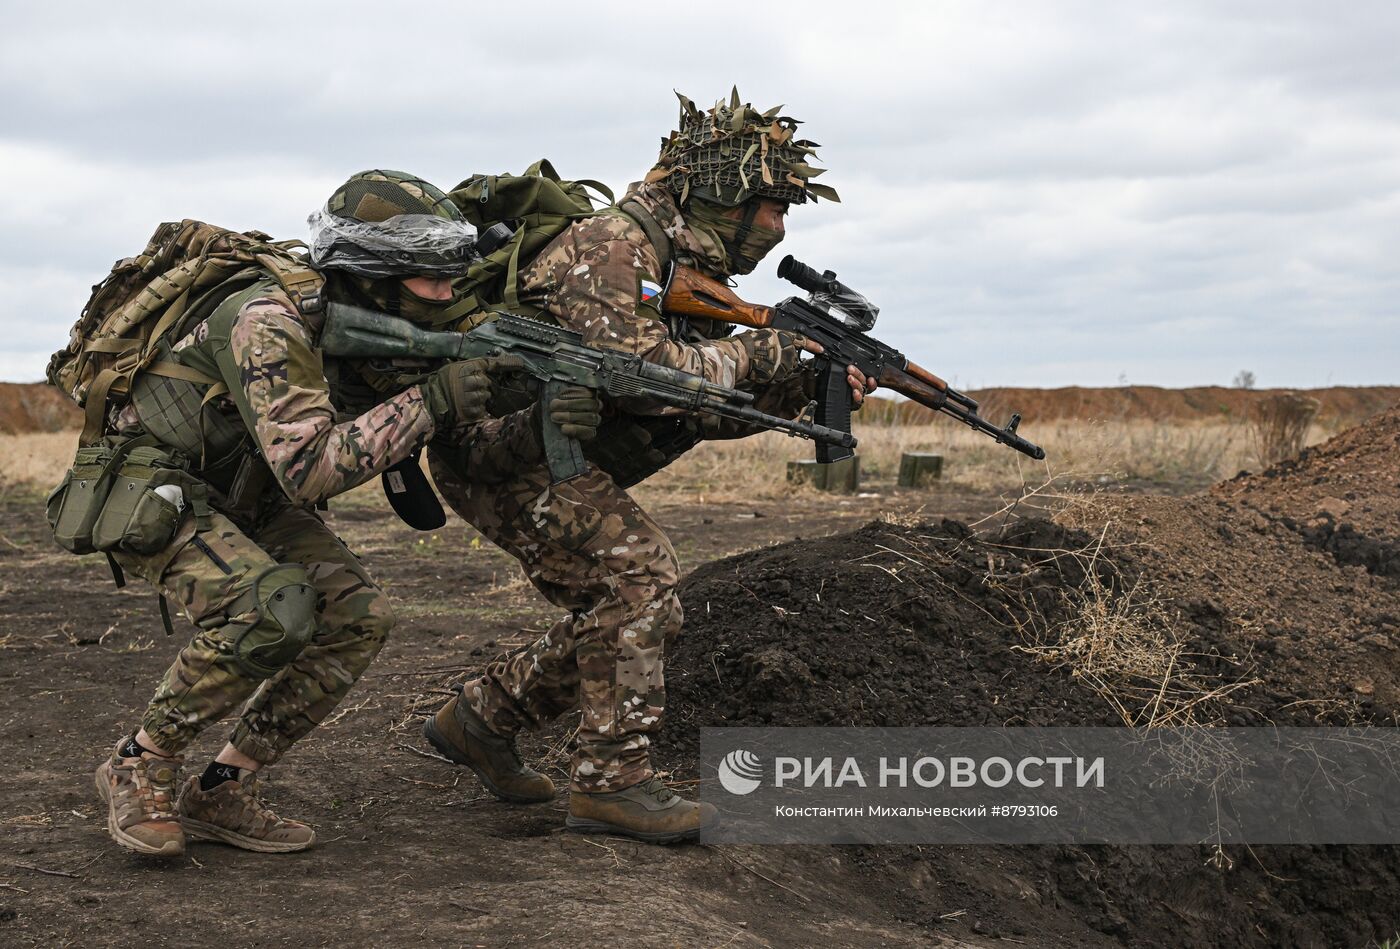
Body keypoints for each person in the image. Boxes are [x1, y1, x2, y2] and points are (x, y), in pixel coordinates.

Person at [420, 91, 874, 844]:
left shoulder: (683, 263)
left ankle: (483, 718)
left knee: (631, 598)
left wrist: (797, 387)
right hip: (497, 446)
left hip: (548, 444)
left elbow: (692, 412)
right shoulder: (614, 246)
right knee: (642, 576)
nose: (780, 227)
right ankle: (612, 783)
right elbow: (643, 375)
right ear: (723, 192)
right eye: (771, 205)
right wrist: (761, 353)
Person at [91, 170, 538, 857]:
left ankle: (222, 786)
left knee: (358, 617)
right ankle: (138, 759)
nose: (447, 293)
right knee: (272, 609)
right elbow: (310, 470)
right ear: (371, 273)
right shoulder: (267, 322)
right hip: (158, 488)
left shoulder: (365, 323)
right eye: (431, 279)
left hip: (245, 488)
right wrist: (433, 401)